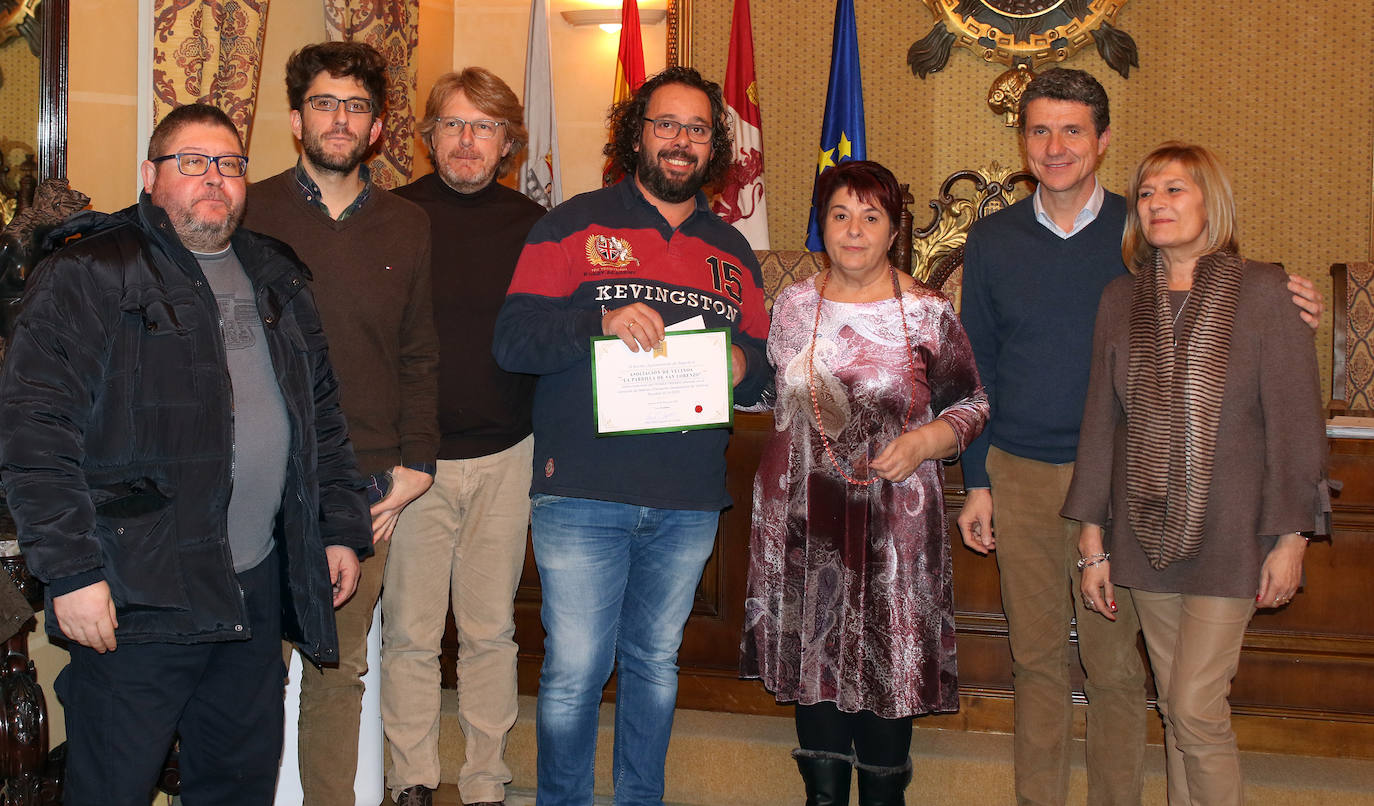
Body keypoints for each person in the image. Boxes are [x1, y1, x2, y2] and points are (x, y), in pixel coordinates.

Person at [954, 68, 1323, 806]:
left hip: (1127, 483)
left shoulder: (1137, 233)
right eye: (1039, 130)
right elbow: (977, 365)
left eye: (1072, 130)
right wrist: (977, 478)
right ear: (1022, 142)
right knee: (1035, 664)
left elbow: (1228, 294)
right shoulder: (992, 240)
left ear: (1102, 140)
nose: (1055, 146)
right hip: (1022, 473)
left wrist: (1288, 294)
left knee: (1120, 674)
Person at [0, 103, 371, 805]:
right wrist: (72, 573)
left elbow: (320, 416)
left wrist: (338, 528)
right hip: (136, 593)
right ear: (150, 175)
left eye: (229, 164)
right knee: (112, 786)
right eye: (192, 162)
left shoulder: (275, 275)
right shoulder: (89, 270)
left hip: (252, 589)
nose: (214, 178)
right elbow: (33, 432)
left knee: (237, 785)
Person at [492, 66, 772, 805]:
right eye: (666, 125)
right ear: (636, 134)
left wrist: (744, 363)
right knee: (575, 670)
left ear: (715, 146)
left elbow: (764, 366)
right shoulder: (571, 224)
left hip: (685, 499)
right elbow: (513, 340)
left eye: (698, 129)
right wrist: (601, 322)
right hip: (582, 490)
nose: (681, 141)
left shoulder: (735, 253)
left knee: (653, 666)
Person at [1063, 141, 1327, 806]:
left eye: (1175, 190)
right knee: (1180, 715)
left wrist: (1292, 537)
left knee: (1196, 708)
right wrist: (1091, 543)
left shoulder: (1267, 291)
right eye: (1147, 193)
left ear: (1213, 201)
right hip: (1147, 537)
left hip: (1234, 537)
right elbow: (1101, 422)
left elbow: (1297, 426)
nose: (1157, 205)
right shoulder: (1121, 298)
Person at [740, 160, 988, 806]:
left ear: (893, 229)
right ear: (822, 225)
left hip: (894, 531)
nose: (854, 231)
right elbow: (769, 394)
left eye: (870, 217)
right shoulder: (793, 306)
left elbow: (973, 403)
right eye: (840, 215)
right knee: (815, 675)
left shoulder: (930, 311)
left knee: (886, 672)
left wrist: (927, 441)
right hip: (800, 522)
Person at [242, 41, 440, 806]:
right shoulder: (250, 209)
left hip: (363, 480)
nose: (340, 119)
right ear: (296, 119)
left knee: (338, 666)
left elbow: (419, 349)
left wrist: (416, 461)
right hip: (257, 478)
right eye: (324, 103)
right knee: (250, 666)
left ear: (378, 127)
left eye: (356, 106)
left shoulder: (407, 223)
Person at [381, 67, 546, 806]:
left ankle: (485, 780)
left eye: (483, 127)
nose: (467, 141)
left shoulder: (538, 225)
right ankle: (412, 777)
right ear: (429, 136)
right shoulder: (392, 217)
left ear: (507, 141)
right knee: (411, 634)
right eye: (452, 124)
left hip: (508, 455)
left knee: (489, 634)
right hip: (415, 463)